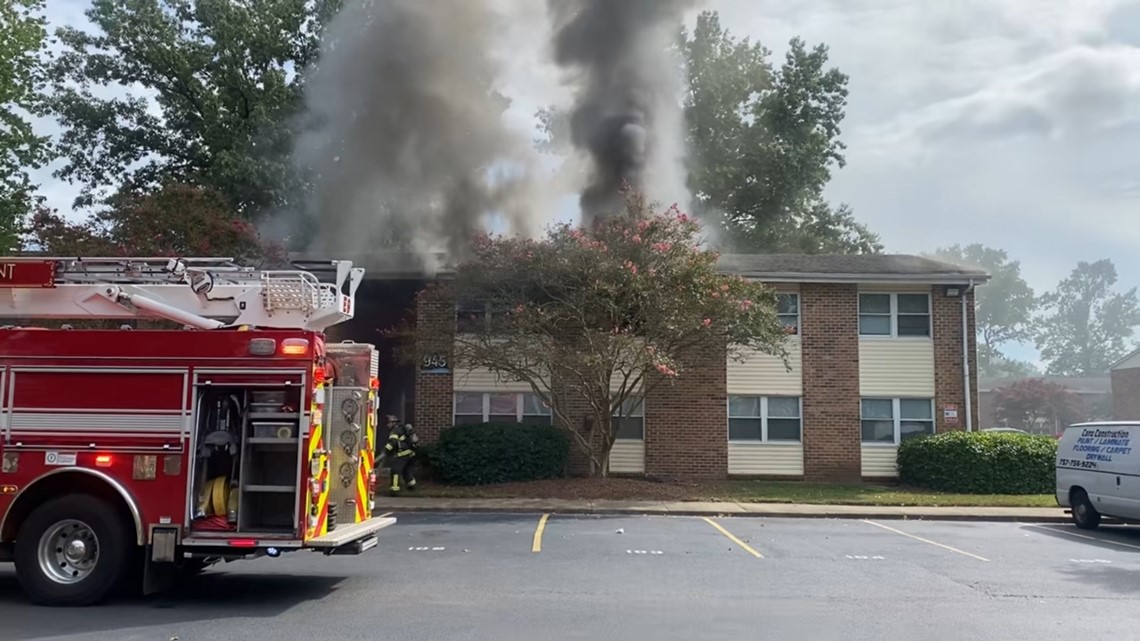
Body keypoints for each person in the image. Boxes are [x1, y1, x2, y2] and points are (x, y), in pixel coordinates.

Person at [380, 415, 418, 495]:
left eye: (388, 423)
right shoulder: (401, 429)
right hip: (410, 454)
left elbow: (392, 442)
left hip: (402, 455)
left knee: (395, 470)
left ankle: (394, 490)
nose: (387, 425)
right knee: (406, 471)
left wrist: (385, 451)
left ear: (393, 423)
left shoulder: (395, 431)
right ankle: (412, 486)